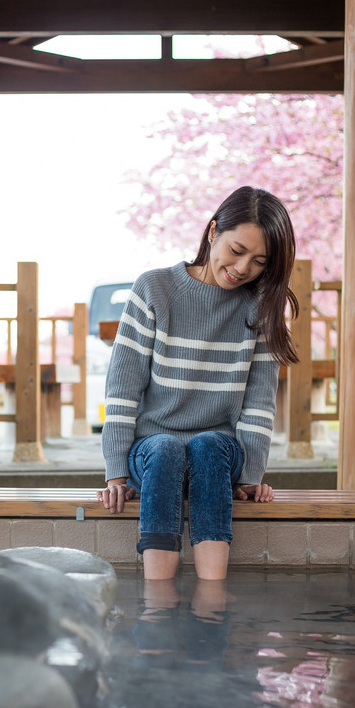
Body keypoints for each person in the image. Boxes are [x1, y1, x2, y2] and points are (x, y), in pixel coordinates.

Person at [97, 185, 298, 581]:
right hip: (153, 453)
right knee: (167, 447)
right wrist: (116, 472)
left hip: (218, 457)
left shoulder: (260, 310)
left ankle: (212, 595)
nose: (243, 269)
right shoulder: (154, 289)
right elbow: (123, 388)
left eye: (259, 262)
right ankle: (158, 596)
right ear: (211, 233)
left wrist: (250, 478)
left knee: (207, 443)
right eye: (237, 250)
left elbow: (259, 404)